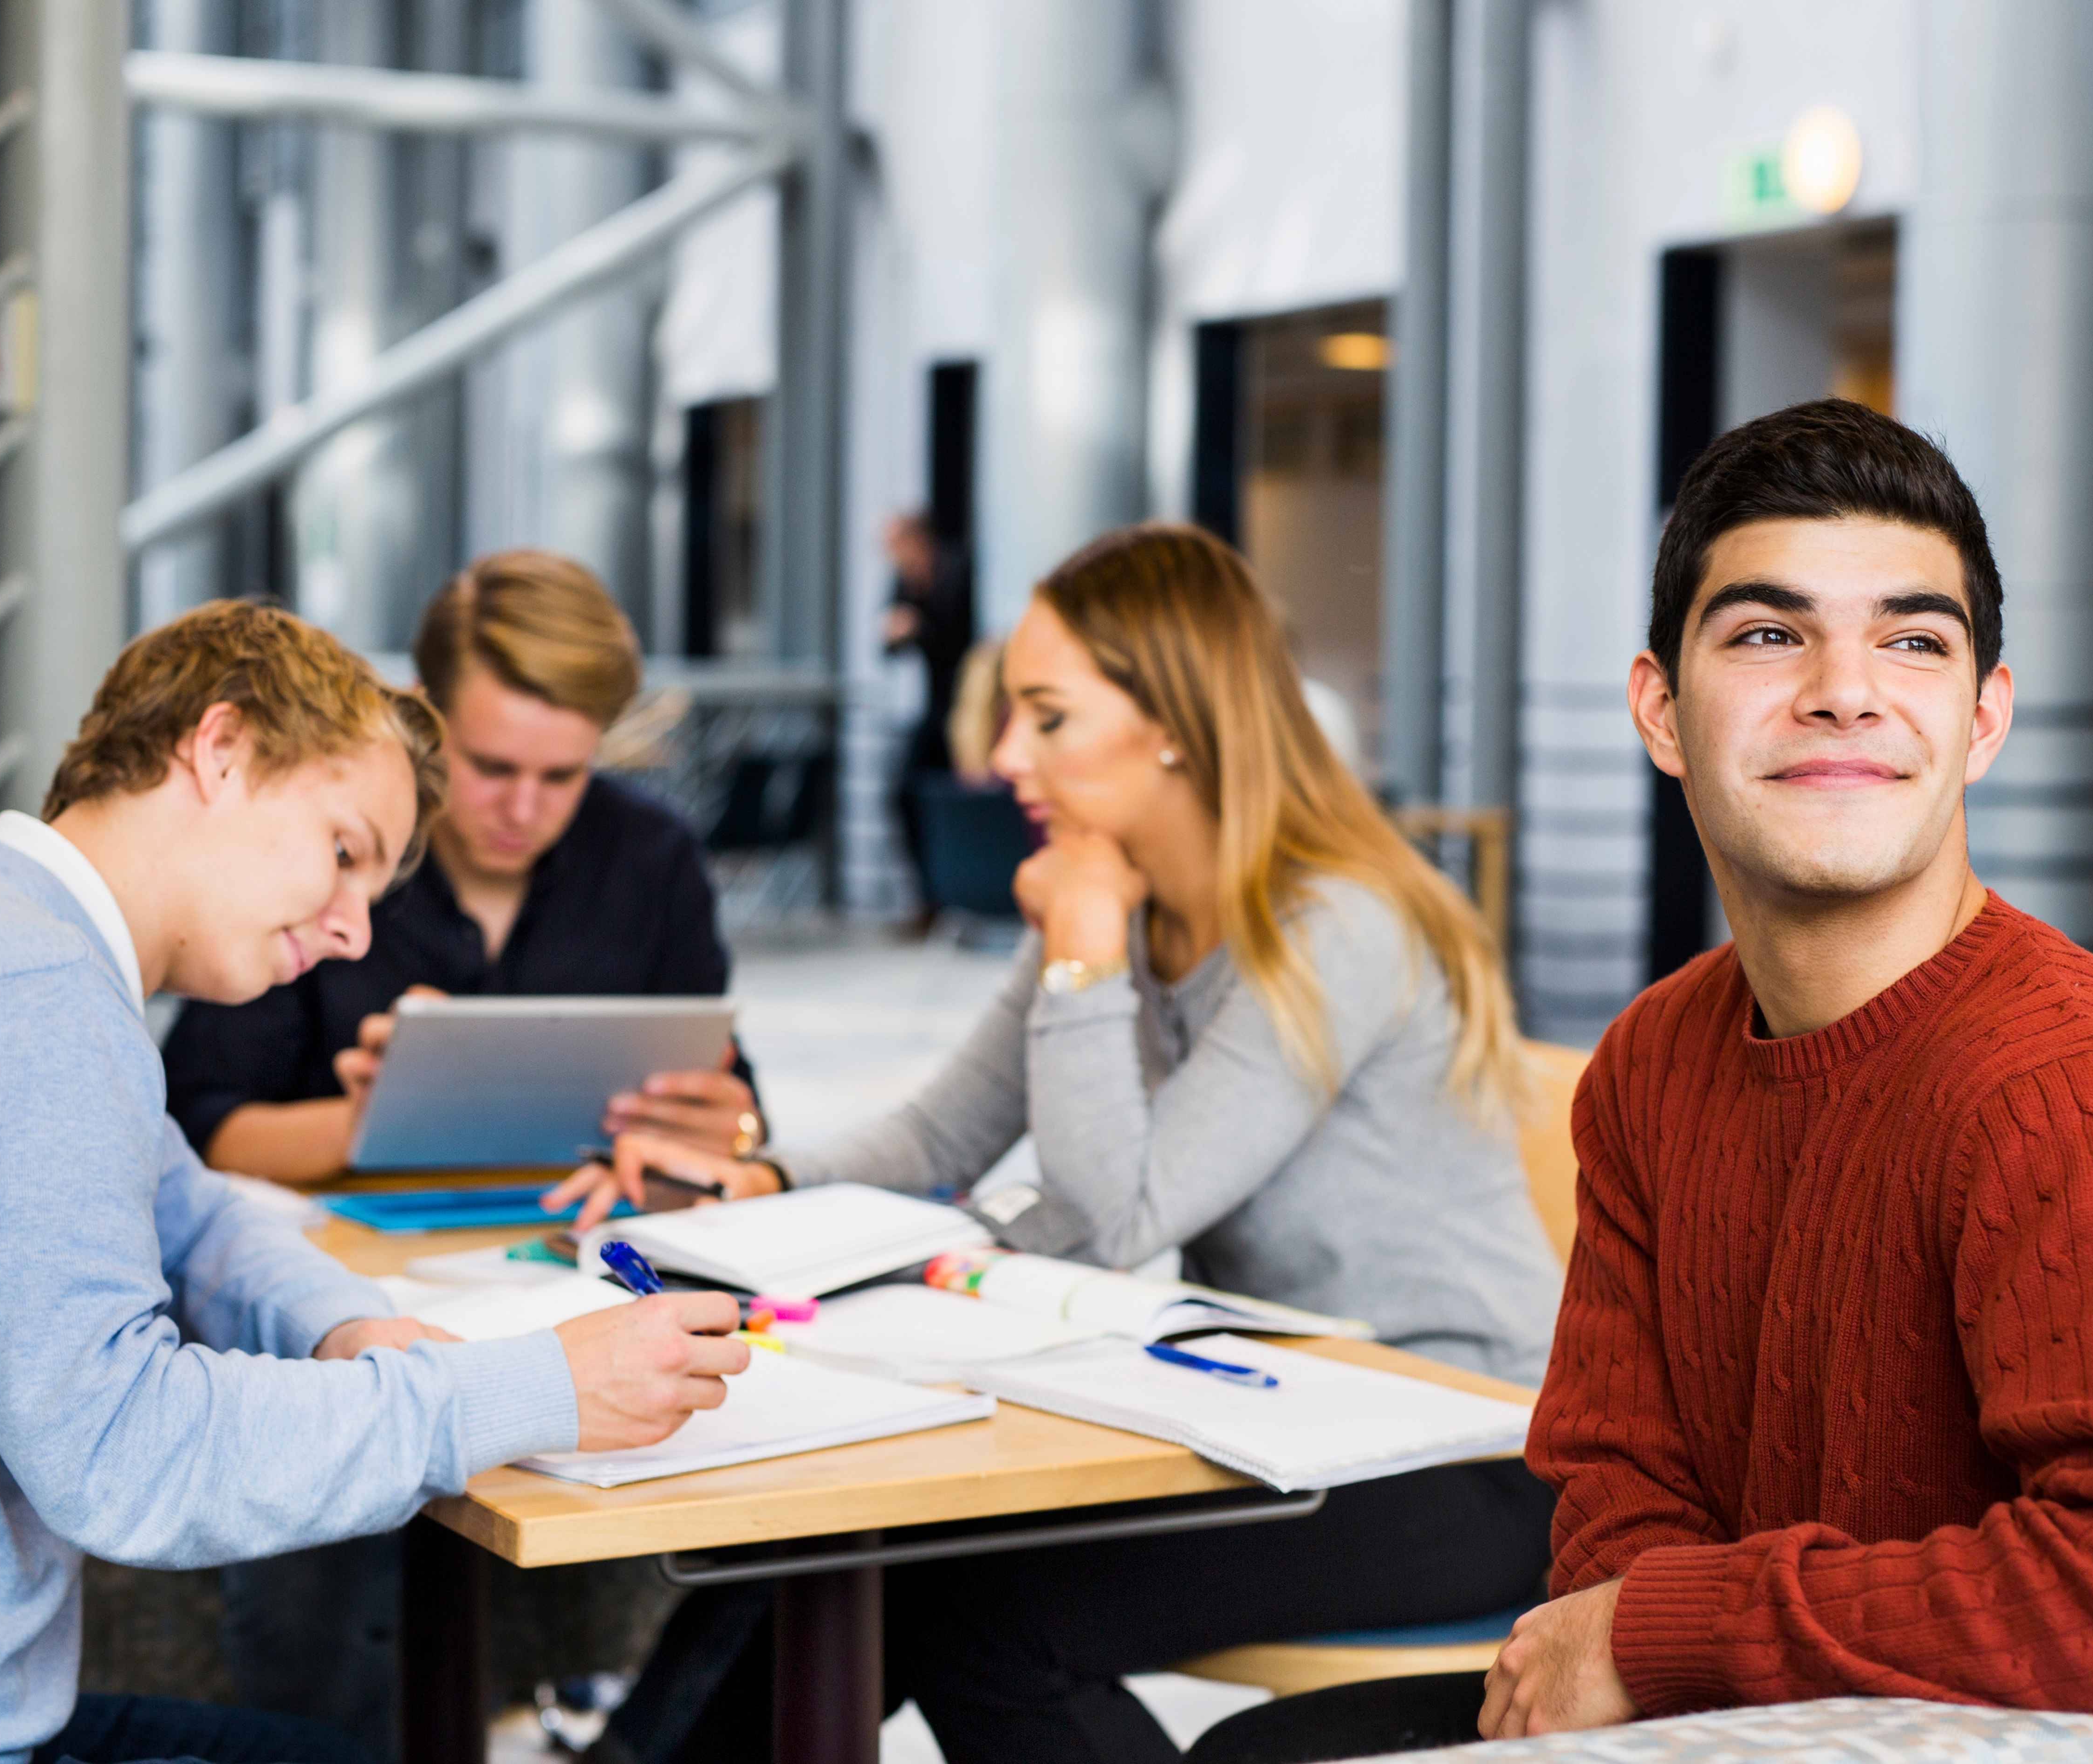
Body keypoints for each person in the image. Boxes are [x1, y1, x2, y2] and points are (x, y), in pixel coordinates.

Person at [546, 522, 1565, 1764]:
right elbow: (941, 1133)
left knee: (976, 1614)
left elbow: (1120, 1212)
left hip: (1458, 1451)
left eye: (1046, 718)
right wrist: (753, 1180)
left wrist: (1084, 956)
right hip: (1278, 1415)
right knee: (852, 1548)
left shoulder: (1332, 924)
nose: (998, 758)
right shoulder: (1112, 894)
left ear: (1176, 721)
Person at [1422, 399, 2093, 1748]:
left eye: (1911, 641)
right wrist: (1652, 1671)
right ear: (1659, 708)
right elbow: (1616, 1477)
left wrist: (1663, 1634)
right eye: (1769, 635)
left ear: (1982, 720)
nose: (1845, 687)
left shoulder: (2073, 1082)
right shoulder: (1652, 1059)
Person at [0, 601, 748, 1764]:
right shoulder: (25, 994)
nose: (350, 933)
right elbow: (126, 1455)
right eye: (344, 852)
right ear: (220, 749)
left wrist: (346, 1322)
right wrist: (524, 1387)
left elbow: (194, 1218)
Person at [164, 549, 762, 1186]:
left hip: (586, 1246)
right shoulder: (324, 852)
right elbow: (196, 1128)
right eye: (492, 768)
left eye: (563, 775)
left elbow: (737, 1106)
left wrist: (734, 1130)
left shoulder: (653, 857)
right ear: (425, 718)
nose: (523, 809)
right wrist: (372, 1120)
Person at [881, 509, 977, 927]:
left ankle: (965, 896)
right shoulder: (903, 580)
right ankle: (929, 897)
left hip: (971, 704)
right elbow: (889, 647)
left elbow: (959, 636)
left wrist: (917, 628)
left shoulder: (957, 570)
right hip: (936, 707)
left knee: (969, 796)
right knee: (904, 794)